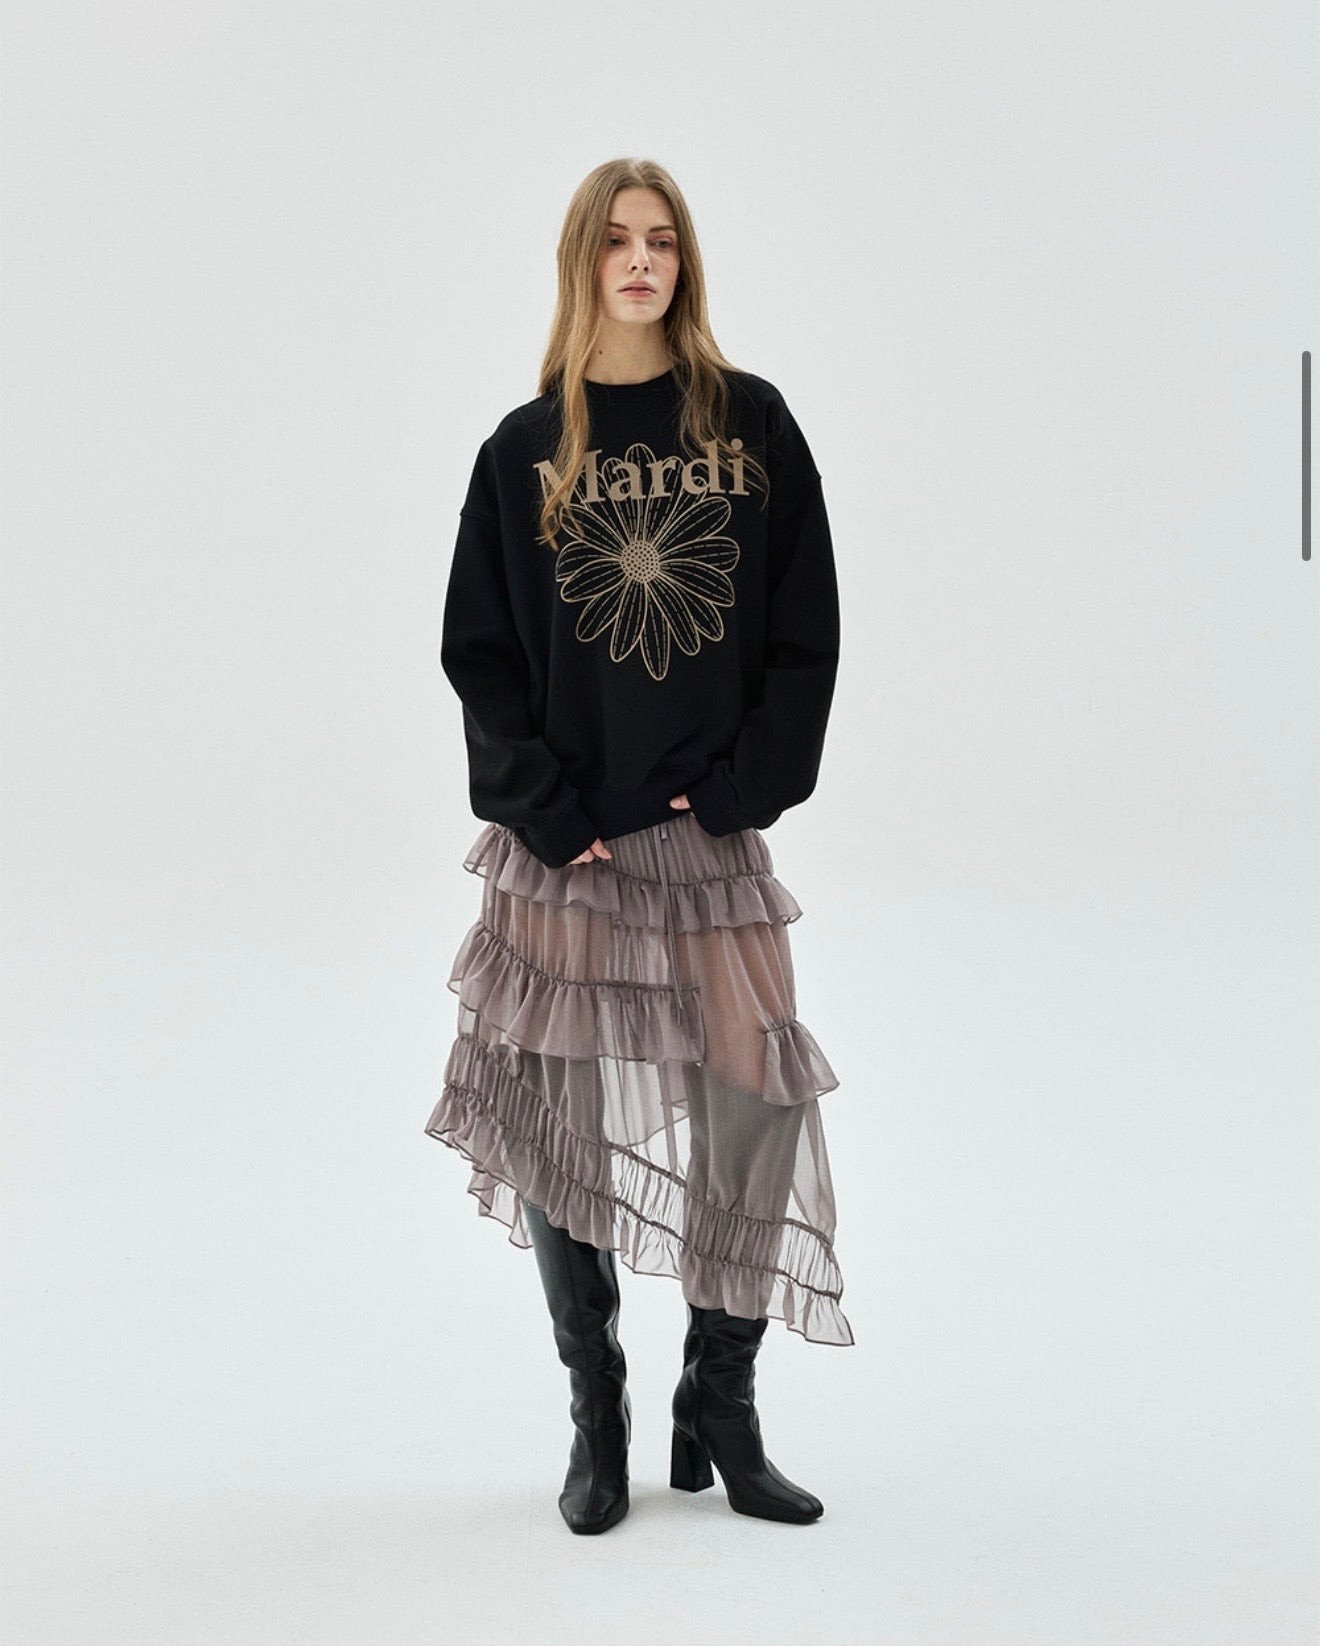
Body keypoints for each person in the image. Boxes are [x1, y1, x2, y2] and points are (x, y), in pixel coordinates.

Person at [424, 157, 853, 1537]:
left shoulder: (751, 424)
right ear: (582, 261)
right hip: (572, 853)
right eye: (616, 240)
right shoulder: (521, 450)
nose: (641, 260)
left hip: (705, 841)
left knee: (755, 1102)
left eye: (662, 240)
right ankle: (596, 1408)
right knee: (560, 1130)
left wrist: (742, 789)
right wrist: (548, 810)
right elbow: (481, 655)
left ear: (686, 262)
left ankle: (718, 1401)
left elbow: (805, 630)